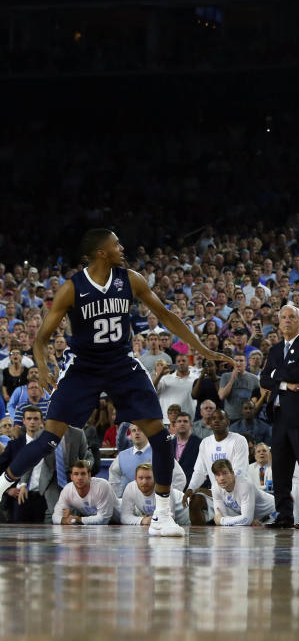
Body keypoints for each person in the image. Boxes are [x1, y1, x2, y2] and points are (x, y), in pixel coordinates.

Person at [0, 229, 232, 537]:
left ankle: (163, 515)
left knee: (161, 439)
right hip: (84, 367)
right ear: (101, 252)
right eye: (115, 244)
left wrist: (200, 348)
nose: (122, 248)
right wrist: (42, 366)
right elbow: (42, 338)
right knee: (48, 439)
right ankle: (2, 484)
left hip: (122, 364)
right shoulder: (72, 288)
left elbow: (166, 315)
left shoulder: (131, 279)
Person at [259, 303, 299, 529]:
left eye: (291, 317)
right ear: (278, 322)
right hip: (280, 417)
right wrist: (285, 384)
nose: (286, 320)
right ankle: (284, 515)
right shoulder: (276, 350)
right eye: (283, 317)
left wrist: (278, 375)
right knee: (280, 470)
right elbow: (264, 379)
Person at [183, 408, 249, 524]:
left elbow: (239, 472)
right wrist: (191, 488)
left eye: (221, 418)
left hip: (238, 494)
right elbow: (199, 471)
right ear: (209, 423)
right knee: (195, 500)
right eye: (213, 419)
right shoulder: (205, 443)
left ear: (228, 422)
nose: (217, 421)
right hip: (217, 495)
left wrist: (213, 491)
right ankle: (199, 538)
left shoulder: (239, 440)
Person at [108, 423, 186, 498]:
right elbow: (113, 481)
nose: (137, 433)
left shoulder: (161, 454)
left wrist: (168, 498)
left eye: (140, 430)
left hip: (156, 506)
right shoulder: (122, 456)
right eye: (134, 430)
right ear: (130, 435)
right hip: (129, 505)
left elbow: (179, 478)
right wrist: (119, 499)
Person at [211, 459, 277, 527]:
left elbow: (245, 520)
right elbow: (221, 516)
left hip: (273, 513)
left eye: (225, 473)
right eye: (218, 475)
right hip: (256, 520)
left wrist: (222, 521)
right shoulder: (215, 487)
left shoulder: (245, 485)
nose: (222, 478)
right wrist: (223, 520)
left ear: (232, 474)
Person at [119, 463, 190, 527]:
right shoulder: (130, 488)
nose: (144, 482)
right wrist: (142, 520)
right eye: (140, 478)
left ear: (155, 478)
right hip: (169, 523)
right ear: (135, 479)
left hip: (187, 513)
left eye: (148, 478)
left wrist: (150, 520)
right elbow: (125, 517)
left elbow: (169, 516)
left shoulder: (164, 485)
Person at [52, 460, 117, 525]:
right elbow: (55, 516)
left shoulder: (102, 485)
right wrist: (65, 520)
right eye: (76, 474)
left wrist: (79, 519)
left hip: (121, 520)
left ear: (89, 475)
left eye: (83, 474)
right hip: (102, 527)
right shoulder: (67, 490)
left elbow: (104, 520)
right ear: (71, 477)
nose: (79, 478)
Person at [171, 411, 202, 483]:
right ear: (175, 425)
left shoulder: (199, 443)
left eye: (185, 421)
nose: (182, 424)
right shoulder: (169, 444)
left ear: (191, 425)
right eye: (179, 421)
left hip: (192, 486)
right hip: (173, 486)